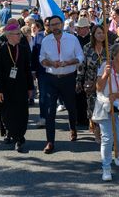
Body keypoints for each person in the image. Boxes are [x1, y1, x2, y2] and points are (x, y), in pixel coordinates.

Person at [39, 15, 84, 154]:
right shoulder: (46, 40)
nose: (55, 27)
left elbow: (81, 57)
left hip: (68, 78)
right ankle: (50, 142)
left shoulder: (72, 39)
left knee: (71, 107)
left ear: (62, 24)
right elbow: (41, 59)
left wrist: (68, 62)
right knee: (49, 111)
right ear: (49, 26)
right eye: (52, 25)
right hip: (51, 79)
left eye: (57, 24)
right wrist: (51, 63)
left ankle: (73, 128)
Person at [94, 42, 119, 181]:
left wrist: (116, 96)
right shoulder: (105, 66)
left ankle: (118, 151)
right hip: (105, 106)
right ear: (115, 55)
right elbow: (99, 88)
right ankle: (106, 168)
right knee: (107, 138)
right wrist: (105, 74)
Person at [0, 24, 34, 152]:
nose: (20, 36)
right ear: (9, 36)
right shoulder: (0, 50)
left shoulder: (24, 49)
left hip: (21, 87)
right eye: (17, 34)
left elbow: (28, 69)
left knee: (22, 113)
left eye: (20, 34)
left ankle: (19, 138)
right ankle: (12, 133)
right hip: (6, 88)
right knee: (8, 115)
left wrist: (30, 87)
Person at [77, 25, 108, 143]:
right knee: (93, 108)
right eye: (99, 33)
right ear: (93, 35)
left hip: (105, 82)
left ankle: (105, 132)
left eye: (103, 33)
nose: (101, 35)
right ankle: (97, 134)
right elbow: (82, 66)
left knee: (104, 108)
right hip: (90, 82)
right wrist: (79, 81)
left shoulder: (109, 48)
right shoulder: (87, 48)